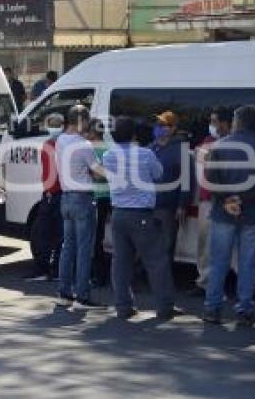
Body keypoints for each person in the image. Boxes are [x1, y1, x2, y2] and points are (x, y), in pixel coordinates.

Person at [202, 106, 255, 326]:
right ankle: (245, 309)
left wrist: (228, 199)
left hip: (223, 214)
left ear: (238, 122)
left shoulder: (218, 146)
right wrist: (244, 199)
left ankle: (212, 308)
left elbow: (211, 181)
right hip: (252, 215)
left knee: (218, 262)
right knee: (248, 264)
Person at [102, 116, 177, 320]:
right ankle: (164, 306)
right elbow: (159, 174)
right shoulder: (146, 154)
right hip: (141, 214)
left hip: (118, 213)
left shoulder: (108, 155)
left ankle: (123, 306)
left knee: (120, 262)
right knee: (156, 261)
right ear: (134, 134)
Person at [54, 105, 103, 307]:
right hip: (82, 198)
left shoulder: (60, 140)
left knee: (68, 247)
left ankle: (64, 292)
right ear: (81, 121)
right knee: (84, 249)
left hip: (66, 197)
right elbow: (98, 172)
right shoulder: (84, 145)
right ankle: (83, 294)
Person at [189, 107, 233, 297]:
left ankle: (238, 283)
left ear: (226, 123)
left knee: (230, 243)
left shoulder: (235, 142)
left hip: (227, 200)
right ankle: (204, 281)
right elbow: (199, 158)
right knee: (204, 243)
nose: (211, 125)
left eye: (214, 121)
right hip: (207, 200)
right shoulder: (208, 141)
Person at [149, 110, 194, 264]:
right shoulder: (151, 148)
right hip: (148, 205)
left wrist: (182, 205)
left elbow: (187, 180)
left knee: (166, 245)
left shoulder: (181, 150)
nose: (158, 127)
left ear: (173, 128)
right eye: (157, 124)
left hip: (168, 207)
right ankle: (146, 278)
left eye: (163, 125)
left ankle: (164, 281)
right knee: (148, 244)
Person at [27, 113, 64, 280]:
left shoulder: (55, 145)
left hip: (54, 194)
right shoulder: (52, 144)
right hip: (55, 193)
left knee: (47, 234)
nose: (53, 128)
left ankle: (47, 270)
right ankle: (52, 270)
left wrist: (49, 191)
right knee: (55, 234)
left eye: (56, 124)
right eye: (52, 124)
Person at [87, 118, 112, 287]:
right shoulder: (109, 148)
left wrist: (85, 170)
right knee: (99, 237)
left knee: (95, 239)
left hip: (97, 196)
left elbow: (99, 175)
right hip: (107, 196)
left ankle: (98, 276)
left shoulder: (94, 149)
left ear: (93, 132)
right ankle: (99, 275)